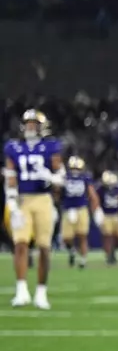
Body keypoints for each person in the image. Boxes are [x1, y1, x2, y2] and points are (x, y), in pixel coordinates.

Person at [4, 110, 65, 308]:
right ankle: (21, 291)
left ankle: (41, 293)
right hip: (22, 200)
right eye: (27, 123)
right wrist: (12, 204)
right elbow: (10, 177)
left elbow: (61, 177)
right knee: (20, 244)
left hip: (43, 199)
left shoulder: (50, 146)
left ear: (41, 127)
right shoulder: (13, 147)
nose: (30, 127)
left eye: (33, 124)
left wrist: (49, 176)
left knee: (44, 248)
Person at [59, 156, 98, 269]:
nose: (75, 170)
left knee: (82, 235)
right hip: (68, 208)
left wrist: (95, 207)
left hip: (81, 208)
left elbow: (91, 192)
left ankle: (83, 260)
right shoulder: (64, 177)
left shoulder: (85, 177)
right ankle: (71, 251)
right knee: (67, 237)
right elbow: (58, 192)